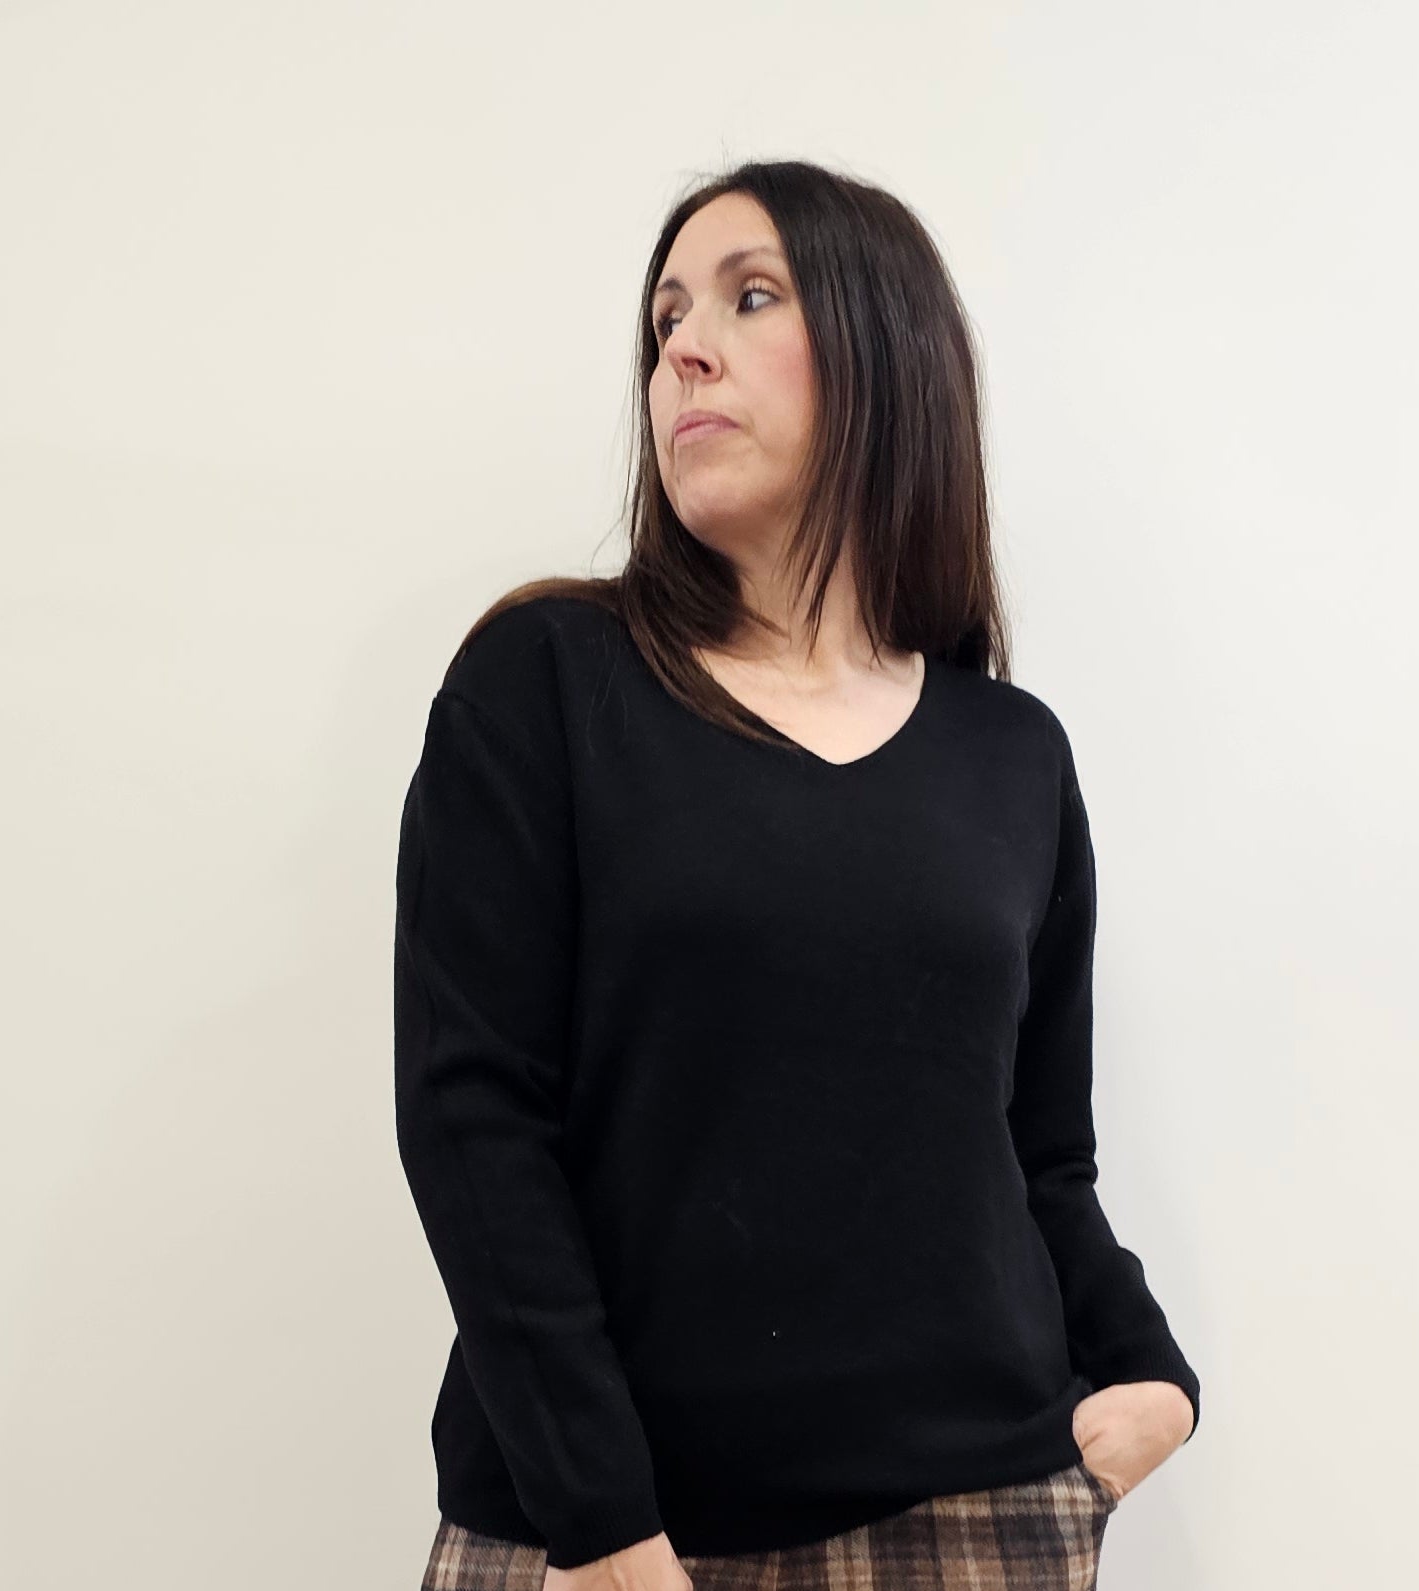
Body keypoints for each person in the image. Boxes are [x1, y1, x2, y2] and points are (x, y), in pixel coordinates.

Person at [393, 159, 1200, 1591]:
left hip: (971, 1521)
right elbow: (474, 1122)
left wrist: (1150, 1381)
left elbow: (1040, 1156)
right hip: (604, 1546)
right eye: (665, 320)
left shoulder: (1009, 753)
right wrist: (605, 1528)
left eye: (749, 296)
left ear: (887, 351)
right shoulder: (546, 682)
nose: (683, 351)